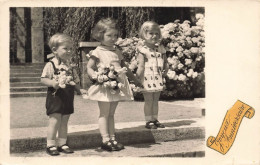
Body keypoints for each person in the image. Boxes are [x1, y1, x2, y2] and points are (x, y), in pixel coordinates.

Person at [86, 18, 142, 152]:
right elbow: (89, 67)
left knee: (111, 114)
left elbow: (124, 67)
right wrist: (96, 76)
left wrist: (134, 79)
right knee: (104, 113)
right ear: (100, 35)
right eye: (109, 35)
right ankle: (105, 140)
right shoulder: (97, 51)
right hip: (105, 86)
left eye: (115, 35)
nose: (113, 38)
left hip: (116, 85)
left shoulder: (117, 51)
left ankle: (112, 138)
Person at [41, 33, 86, 156]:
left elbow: (75, 80)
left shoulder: (70, 66)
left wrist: (80, 89)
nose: (69, 51)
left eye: (71, 48)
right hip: (56, 97)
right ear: (55, 50)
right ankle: (50, 144)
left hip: (67, 96)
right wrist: (52, 83)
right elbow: (43, 79)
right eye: (65, 48)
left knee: (65, 120)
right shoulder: (51, 64)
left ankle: (62, 143)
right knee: (55, 120)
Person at [136, 21, 169, 129]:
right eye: (151, 33)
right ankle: (148, 120)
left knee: (155, 100)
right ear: (144, 35)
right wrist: (137, 79)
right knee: (149, 100)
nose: (154, 36)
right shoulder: (143, 50)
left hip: (158, 77)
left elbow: (165, 62)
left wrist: (165, 71)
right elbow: (140, 66)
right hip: (147, 78)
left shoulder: (160, 48)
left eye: (156, 33)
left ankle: (155, 119)